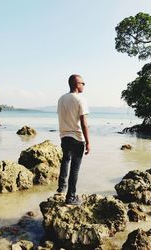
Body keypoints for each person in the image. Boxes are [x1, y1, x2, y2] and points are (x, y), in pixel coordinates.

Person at [57, 74, 90, 205]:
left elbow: (63, 117)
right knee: (75, 169)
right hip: (77, 138)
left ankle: (61, 187)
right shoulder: (80, 99)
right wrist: (88, 142)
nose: (84, 85)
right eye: (83, 83)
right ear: (77, 84)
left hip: (64, 136)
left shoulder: (61, 99)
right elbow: (83, 123)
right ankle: (70, 197)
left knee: (65, 160)